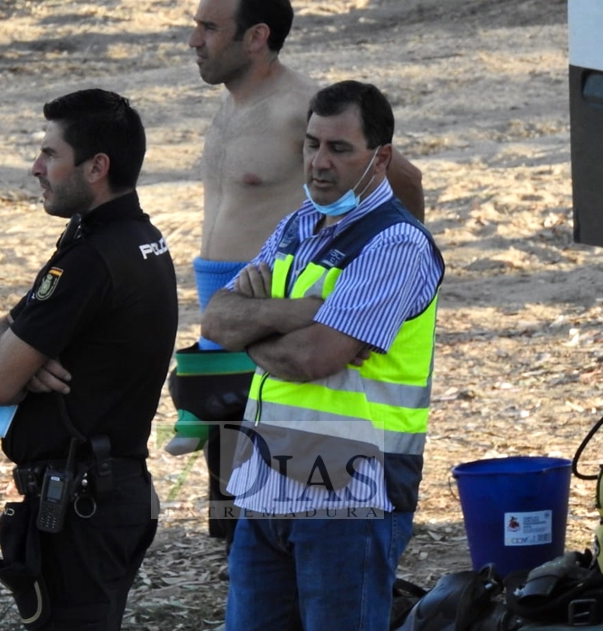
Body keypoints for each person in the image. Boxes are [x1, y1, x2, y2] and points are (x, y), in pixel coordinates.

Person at [165, 0, 426, 548]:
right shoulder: (232, 106)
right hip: (239, 311)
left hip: (282, 315)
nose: (193, 40)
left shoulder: (299, 107)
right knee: (234, 514)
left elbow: (402, 177)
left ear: (256, 36)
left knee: (254, 514)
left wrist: (394, 278)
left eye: (209, 28)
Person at [201, 80, 444, 631]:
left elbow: (313, 358)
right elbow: (216, 319)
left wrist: (256, 328)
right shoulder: (295, 228)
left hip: (351, 493)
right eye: (311, 145)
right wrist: (299, 313)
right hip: (266, 483)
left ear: (379, 158)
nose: (318, 163)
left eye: (339, 148)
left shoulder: (396, 245)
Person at [0, 89, 178, 631]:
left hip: (83, 505)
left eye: (50, 155)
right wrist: (16, 344)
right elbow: (11, 337)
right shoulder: (141, 238)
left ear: (96, 168)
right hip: (108, 492)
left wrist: (9, 347)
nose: (36, 168)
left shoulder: (91, 259)